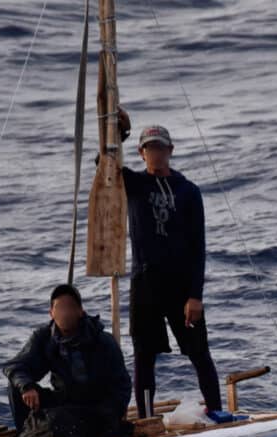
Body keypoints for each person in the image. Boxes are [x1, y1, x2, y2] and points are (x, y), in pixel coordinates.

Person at [117, 109, 223, 417]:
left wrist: (195, 295)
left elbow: (198, 246)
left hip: (180, 285)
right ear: (141, 153)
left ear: (171, 151)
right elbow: (105, 165)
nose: (156, 154)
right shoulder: (135, 185)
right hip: (145, 283)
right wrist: (117, 133)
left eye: (161, 148)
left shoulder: (188, 191)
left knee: (199, 352)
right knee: (143, 356)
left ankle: (216, 411)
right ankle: (147, 417)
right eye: (150, 148)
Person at [3, 284, 132, 437]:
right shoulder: (45, 338)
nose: (64, 313)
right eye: (59, 308)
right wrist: (26, 386)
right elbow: (15, 367)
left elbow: (122, 387)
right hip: (64, 401)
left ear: (80, 312)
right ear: (51, 313)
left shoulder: (102, 341)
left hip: (95, 407)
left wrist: (108, 418)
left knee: (64, 421)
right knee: (16, 386)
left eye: (70, 307)